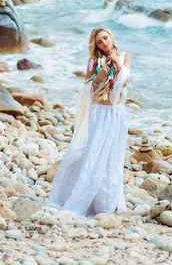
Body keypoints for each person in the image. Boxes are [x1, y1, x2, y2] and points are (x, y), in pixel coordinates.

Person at [47, 26, 131, 217]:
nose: (103, 43)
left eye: (105, 38)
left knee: (112, 157)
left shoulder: (125, 56)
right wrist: (100, 77)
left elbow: (125, 81)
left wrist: (116, 62)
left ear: (111, 36)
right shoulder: (94, 61)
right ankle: (85, 198)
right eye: (99, 42)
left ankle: (106, 202)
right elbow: (87, 89)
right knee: (94, 154)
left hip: (116, 113)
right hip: (98, 111)